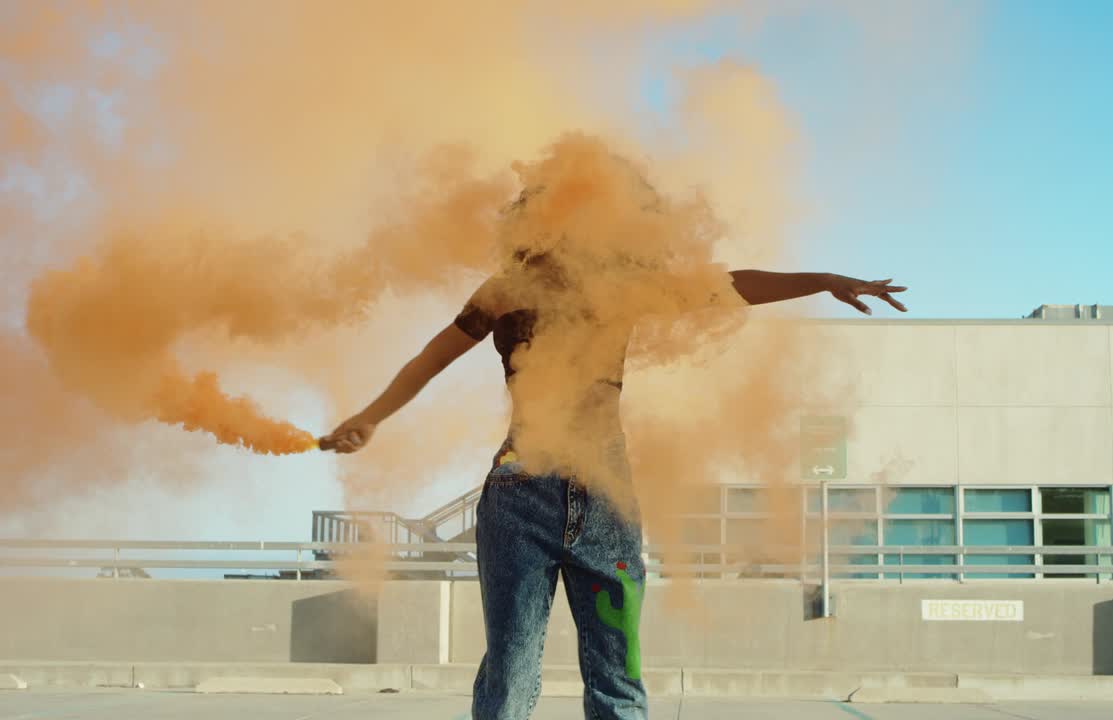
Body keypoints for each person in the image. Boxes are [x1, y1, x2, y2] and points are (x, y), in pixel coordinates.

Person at [319, 158, 908, 720]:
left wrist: (822, 281)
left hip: (606, 497)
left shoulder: (622, 285)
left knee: (616, 680)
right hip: (521, 494)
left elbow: (725, 285)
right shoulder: (505, 291)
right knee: (509, 677)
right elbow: (430, 359)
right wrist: (370, 417)